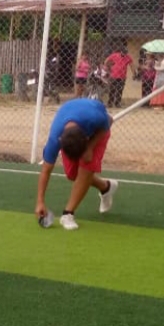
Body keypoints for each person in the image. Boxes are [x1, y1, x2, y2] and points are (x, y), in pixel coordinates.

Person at [35, 97, 118, 231]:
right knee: (73, 175)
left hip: (98, 131)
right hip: (74, 127)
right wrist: (40, 201)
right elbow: (46, 169)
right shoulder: (55, 139)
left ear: (86, 138)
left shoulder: (96, 118)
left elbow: (109, 122)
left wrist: (90, 147)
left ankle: (68, 214)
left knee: (86, 167)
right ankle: (106, 187)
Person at [103, 43, 134, 109]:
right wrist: (108, 67)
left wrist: (134, 73)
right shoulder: (115, 55)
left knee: (120, 90)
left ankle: (117, 103)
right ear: (121, 51)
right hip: (114, 76)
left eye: (125, 53)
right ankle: (110, 103)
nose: (124, 54)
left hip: (122, 77)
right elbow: (106, 61)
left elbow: (132, 66)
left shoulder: (128, 57)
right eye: (123, 52)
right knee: (112, 90)